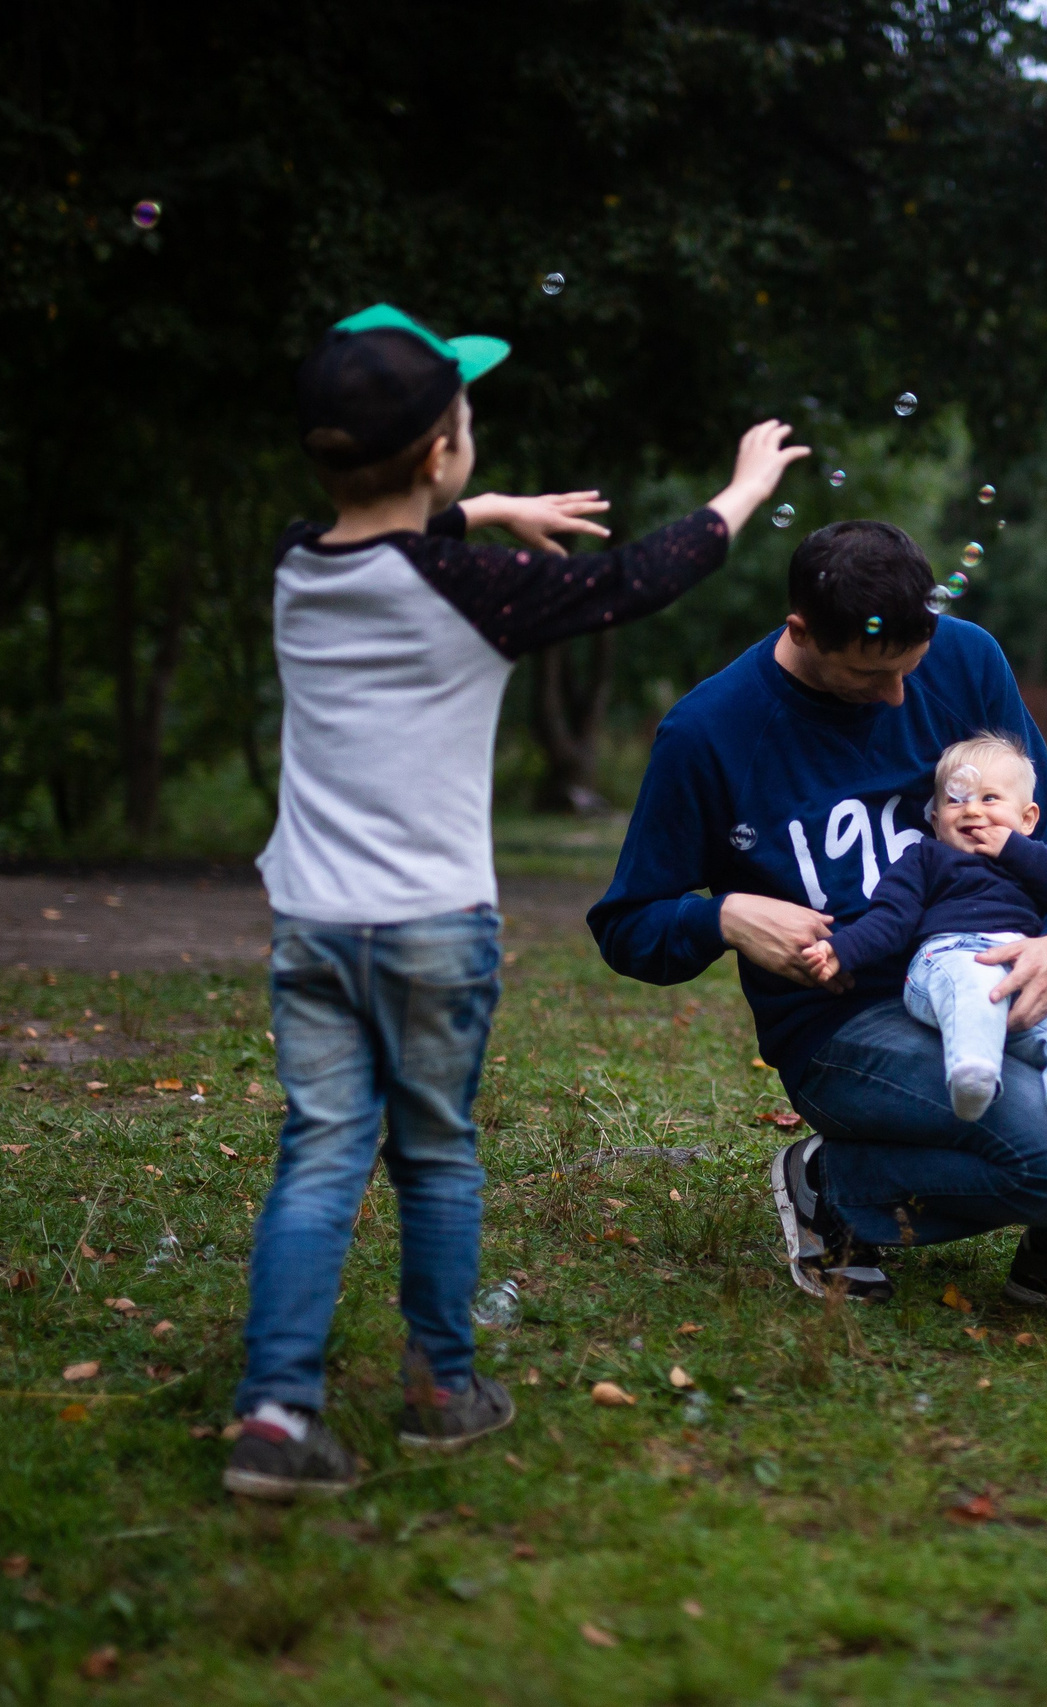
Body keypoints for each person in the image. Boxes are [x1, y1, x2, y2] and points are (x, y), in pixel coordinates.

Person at [226, 303, 807, 1500]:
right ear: (442, 450)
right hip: (433, 925)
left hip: (313, 922)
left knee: (320, 1155)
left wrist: (489, 512)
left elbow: (389, 531)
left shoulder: (296, 564)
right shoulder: (470, 592)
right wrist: (741, 491)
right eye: (466, 419)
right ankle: (441, 1388)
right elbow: (638, 578)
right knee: (433, 1153)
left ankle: (276, 1416)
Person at [588, 521, 1047, 1336]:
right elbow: (626, 925)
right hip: (845, 1025)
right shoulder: (709, 732)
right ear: (801, 633)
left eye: (908, 672)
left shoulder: (966, 660)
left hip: (992, 962)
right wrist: (725, 914)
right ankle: (838, 1188)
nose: (896, 698)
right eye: (868, 675)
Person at [798, 732, 1047, 1142]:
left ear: (1027, 819)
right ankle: (972, 1072)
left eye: (990, 799)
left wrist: (1014, 849)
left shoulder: (1031, 862)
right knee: (974, 989)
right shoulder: (926, 858)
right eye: (956, 800)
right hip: (946, 961)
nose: (972, 810)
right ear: (937, 822)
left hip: (1015, 969)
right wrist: (840, 949)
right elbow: (889, 920)